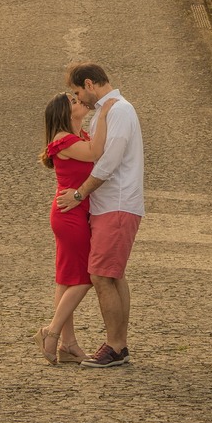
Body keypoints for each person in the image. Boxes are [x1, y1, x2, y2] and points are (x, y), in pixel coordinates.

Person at [56, 62, 144, 368]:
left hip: (116, 204)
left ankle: (115, 346)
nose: (79, 97)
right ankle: (119, 345)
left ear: (90, 83)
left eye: (78, 91)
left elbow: (107, 163)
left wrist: (79, 194)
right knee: (113, 274)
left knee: (101, 275)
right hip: (109, 205)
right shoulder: (109, 112)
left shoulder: (118, 110)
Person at [35, 92, 112, 364]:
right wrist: (104, 113)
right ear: (66, 114)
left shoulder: (79, 138)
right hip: (70, 215)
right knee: (86, 278)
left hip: (74, 212)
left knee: (66, 279)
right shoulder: (63, 140)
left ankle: (68, 344)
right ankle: (52, 331)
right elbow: (96, 154)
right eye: (74, 103)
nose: (80, 102)